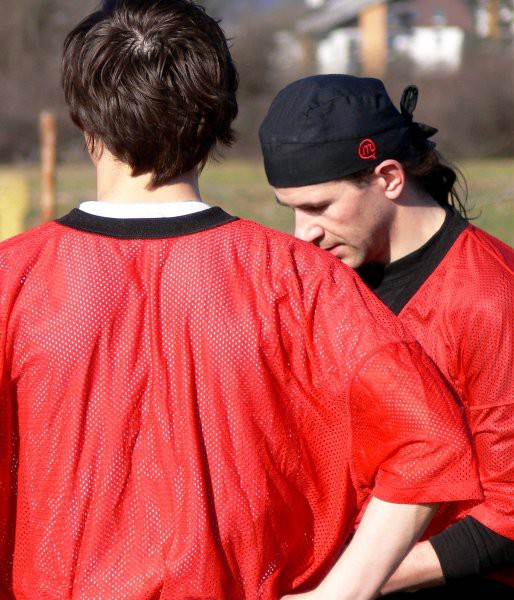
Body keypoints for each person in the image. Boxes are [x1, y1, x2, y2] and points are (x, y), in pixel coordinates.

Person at [0, 3, 483, 597]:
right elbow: (426, 445)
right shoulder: (299, 280)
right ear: (221, 118)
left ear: (82, 119)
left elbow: (426, 448)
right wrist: (343, 592)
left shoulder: (13, 281)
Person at [259, 73, 514, 597]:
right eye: (291, 210)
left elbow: (512, 508)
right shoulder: (321, 279)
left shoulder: (489, 297)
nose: (301, 235)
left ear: (390, 178)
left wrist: (353, 583)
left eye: (318, 208)